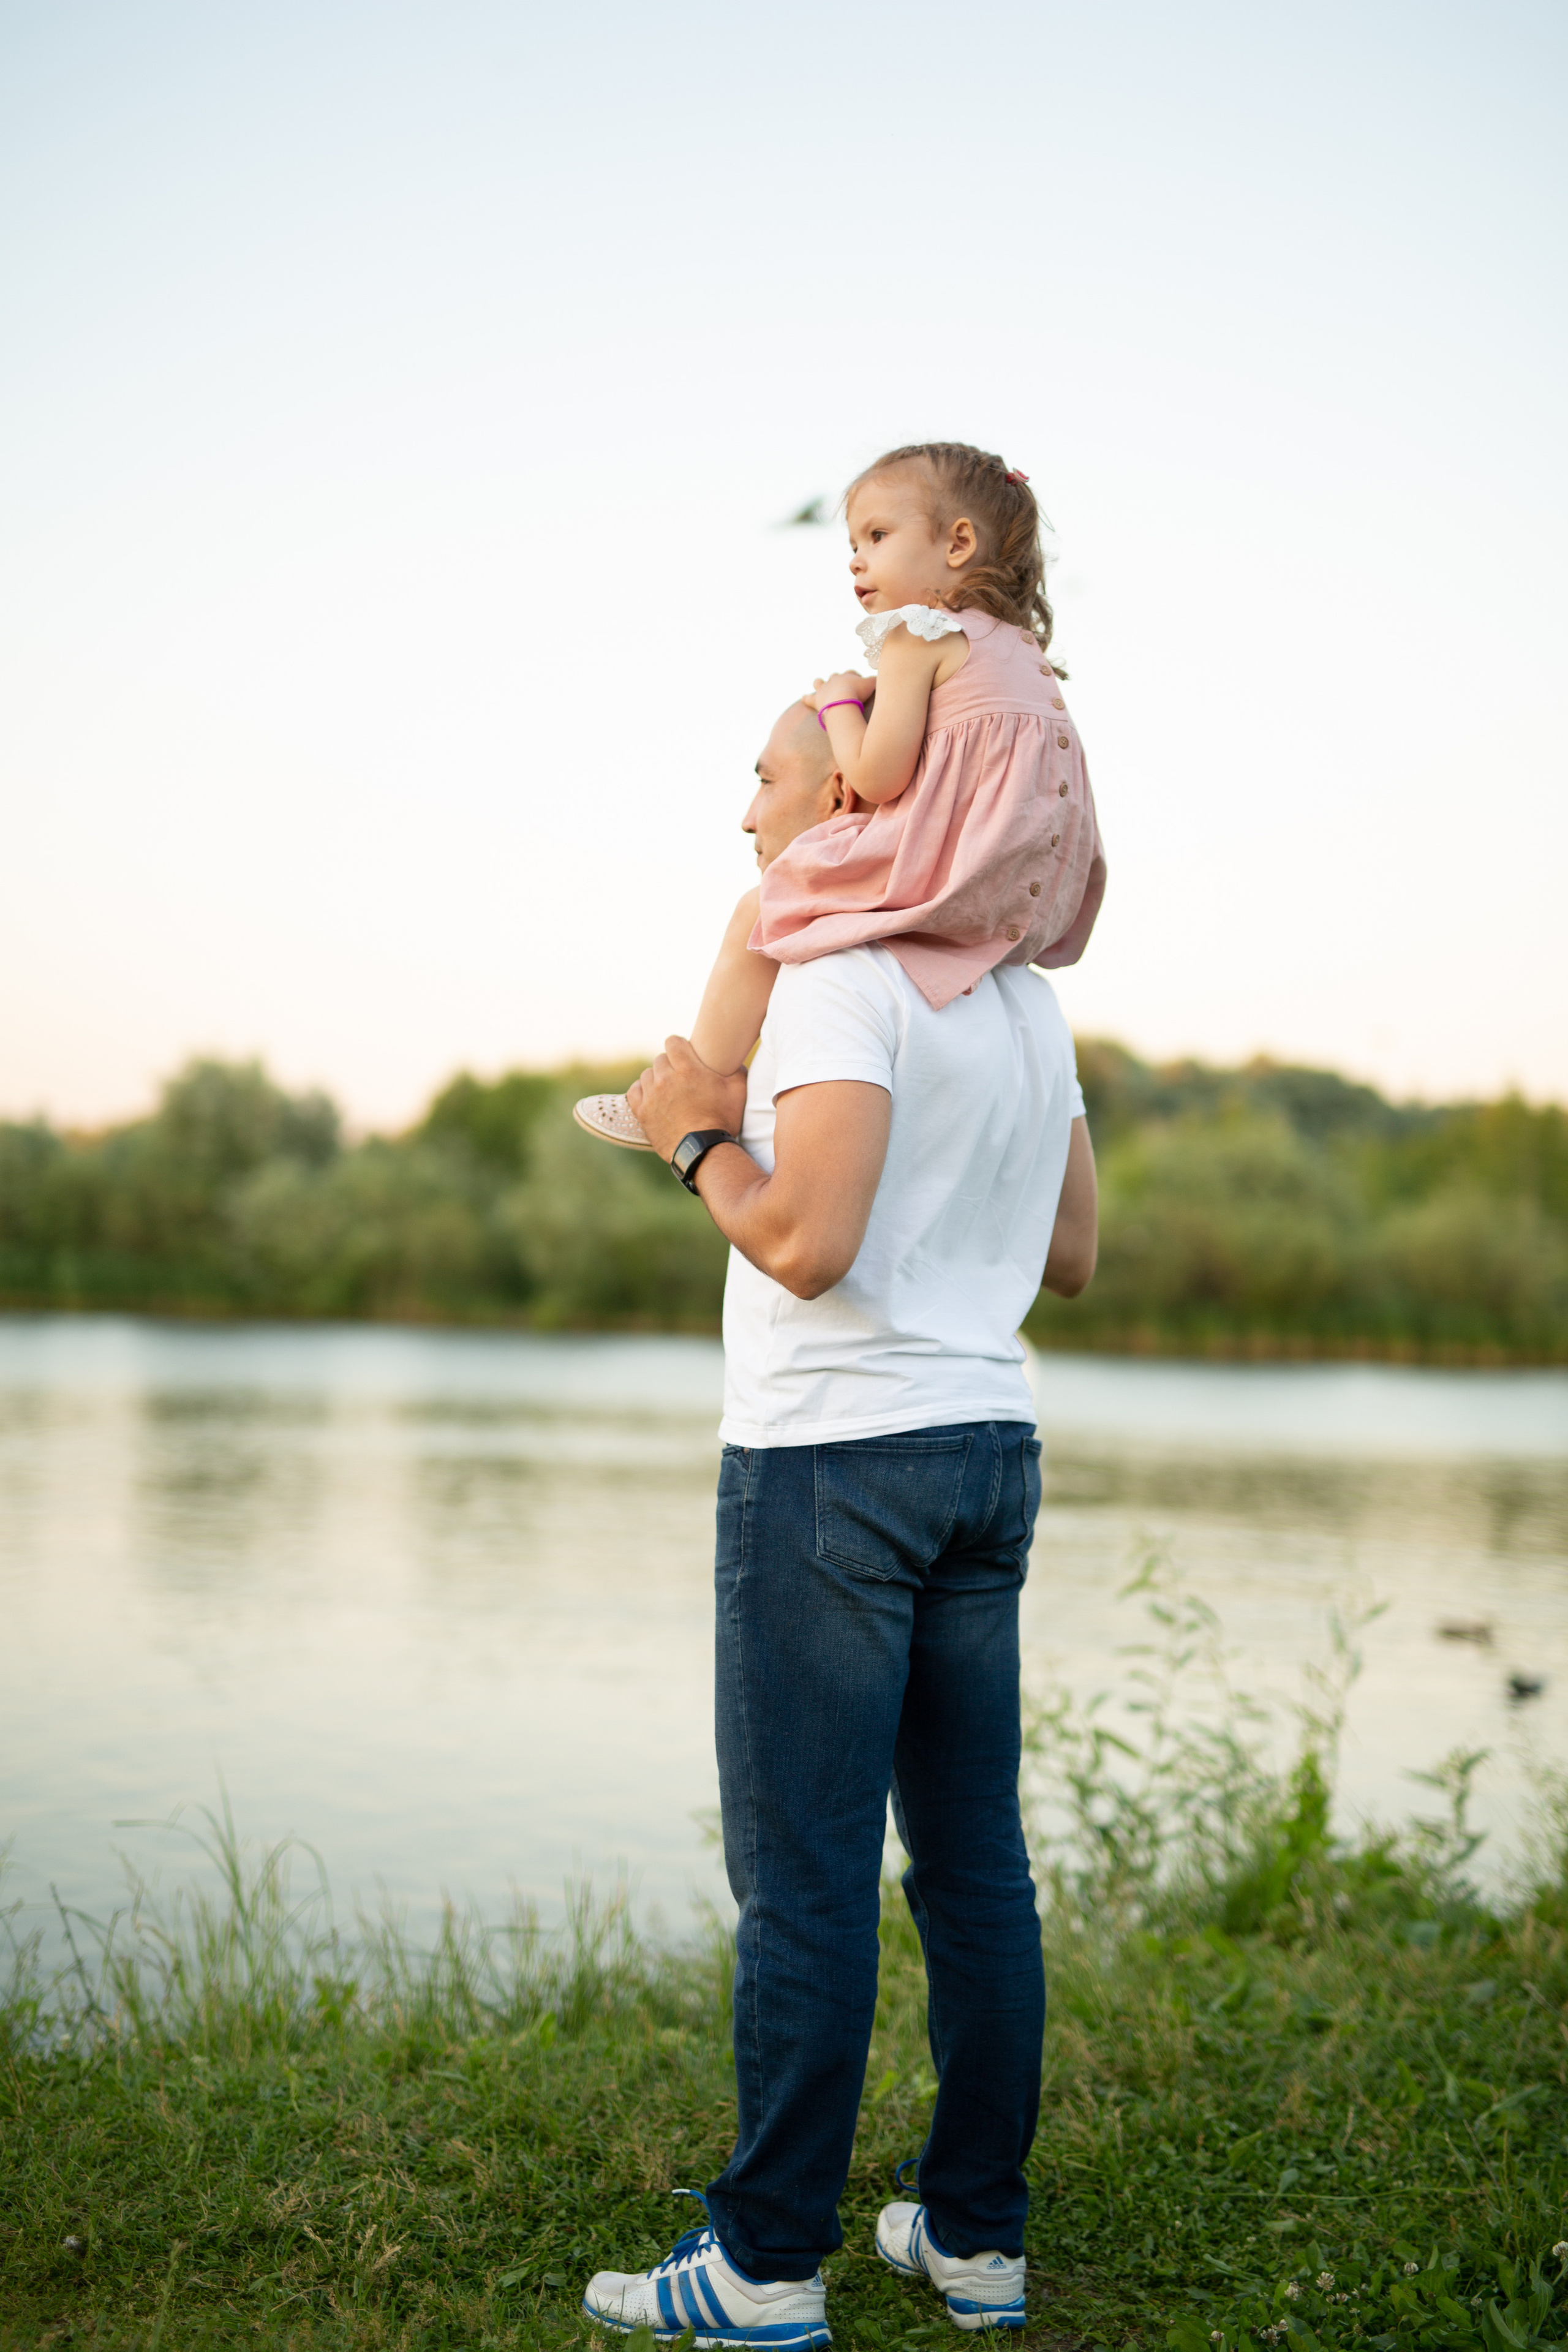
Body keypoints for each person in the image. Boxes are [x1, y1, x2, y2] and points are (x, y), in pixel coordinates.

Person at [578, 692, 1099, 2348]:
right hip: (987, 1457)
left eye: (771, 774)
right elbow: (1073, 1251)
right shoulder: (1023, 1000)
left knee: (805, 1884)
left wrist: (693, 1141)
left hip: (835, 1467)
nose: (748, 810)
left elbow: (799, 1242)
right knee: (974, 1875)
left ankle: (766, 2268)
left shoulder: (833, 982)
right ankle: (976, 2244)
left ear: (862, 801)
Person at [571, 442, 1106, 1153]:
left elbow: (878, 776)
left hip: (954, 872)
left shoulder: (919, 639)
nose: (856, 560)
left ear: (958, 543)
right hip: (1030, 892)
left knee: (764, 904)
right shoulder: (1022, 653)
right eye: (853, 543)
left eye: (878, 537)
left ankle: (705, 1080)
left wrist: (838, 703)